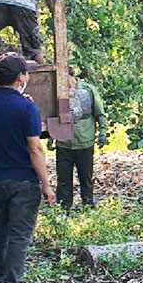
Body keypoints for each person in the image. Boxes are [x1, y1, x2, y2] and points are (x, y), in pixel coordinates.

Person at [0, 53, 56, 283]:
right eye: (26, 73)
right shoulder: (27, 108)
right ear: (21, 77)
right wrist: (46, 184)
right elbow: (34, 148)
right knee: (19, 236)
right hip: (23, 182)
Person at [49, 70, 107, 209]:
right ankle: (64, 207)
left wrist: (103, 131)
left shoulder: (88, 90)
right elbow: (52, 114)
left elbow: (99, 112)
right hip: (64, 141)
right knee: (63, 179)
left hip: (84, 139)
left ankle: (87, 204)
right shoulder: (57, 91)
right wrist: (51, 138)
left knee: (85, 176)